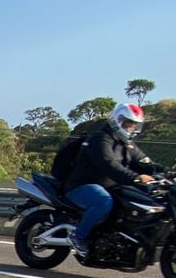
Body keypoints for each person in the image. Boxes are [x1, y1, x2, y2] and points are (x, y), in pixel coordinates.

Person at [62, 103, 164, 255]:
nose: (131, 128)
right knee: (104, 201)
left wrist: (167, 172)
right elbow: (110, 165)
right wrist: (136, 177)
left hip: (110, 186)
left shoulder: (127, 143)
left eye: (134, 125)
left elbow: (144, 162)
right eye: (128, 124)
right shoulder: (101, 139)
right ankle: (78, 236)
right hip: (83, 185)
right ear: (118, 120)